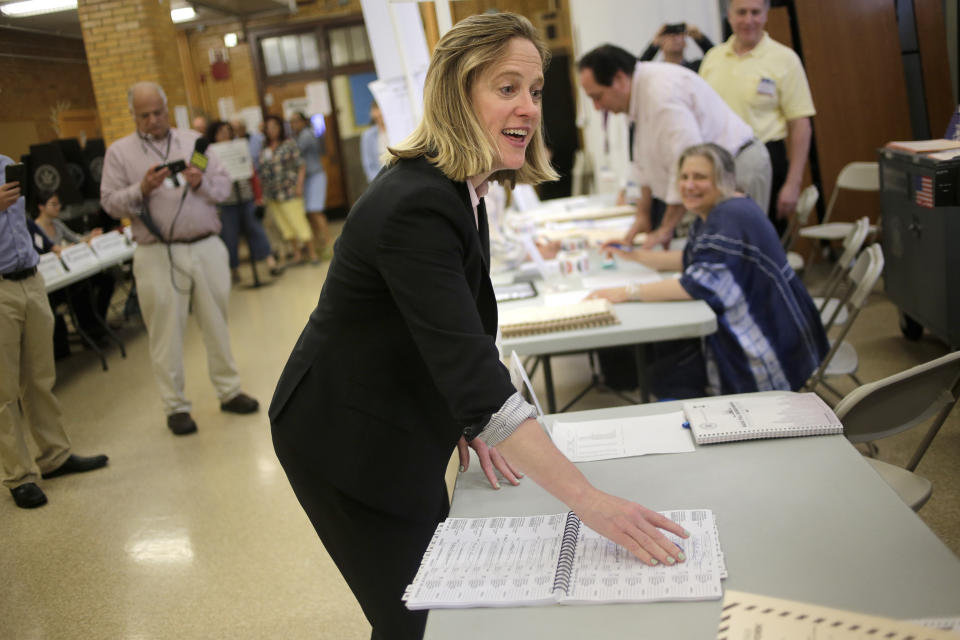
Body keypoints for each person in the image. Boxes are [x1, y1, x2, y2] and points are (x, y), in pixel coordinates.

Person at [269, 14, 689, 640]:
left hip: (400, 415)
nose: (527, 107)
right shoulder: (415, 203)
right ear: (457, 96)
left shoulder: (461, 184)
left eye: (536, 90)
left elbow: (456, 327)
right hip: (344, 438)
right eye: (506, 87)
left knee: (442, 584)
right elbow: (471, 371)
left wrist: (473, 418)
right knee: (419, 614)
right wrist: (589, 501)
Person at [588, 143, 827, 397]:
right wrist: (634, 255)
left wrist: (625, 292)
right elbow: (695, 261)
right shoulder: (719, 209)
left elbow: (697, 285)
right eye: (685, 177)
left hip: (769, 347)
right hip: (785, 334)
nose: (689, 185)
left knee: (669, 370)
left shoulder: (729, 217)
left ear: (723, 180)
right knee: (666, 360)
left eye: (700, 177)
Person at [100, 82, 259, 436]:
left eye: (159, 112)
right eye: (145, 115)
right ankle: (175, 406)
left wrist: (200, 181)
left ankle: (229, 391)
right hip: (156, 252)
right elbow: (109, 203)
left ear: (167, 108)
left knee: (217, 322)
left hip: (205, 245)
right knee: (165, 332)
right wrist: (140, 189)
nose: (154, 120)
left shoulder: (194, 143)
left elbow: (223, 189)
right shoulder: (120, 153)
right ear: (133, 115)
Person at [578, 44, 771, 249]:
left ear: (619, 79)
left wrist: (665, 229)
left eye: (597, 97)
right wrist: (642, 217)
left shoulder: (660, 94)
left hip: (737, 167)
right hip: (714, 175)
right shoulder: (635, 96)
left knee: (739, 254)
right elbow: (642, 163)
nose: (597, 107)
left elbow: (687, 165)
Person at [1, 154, 109, 509]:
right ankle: (19, 476)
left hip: (30, 280)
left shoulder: (6, 163)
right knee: (4, 391)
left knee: (40, 377)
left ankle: (55, 456)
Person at [699, 0, 816, 236]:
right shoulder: (712, 59)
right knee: (723, 237)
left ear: (766, 15)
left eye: (755, 13)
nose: (748, 20)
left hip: (766, 161)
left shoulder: (785, 59)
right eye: (741, 13)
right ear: (729, 16)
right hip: (719, 164)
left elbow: (800, 124)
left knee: (762, 241)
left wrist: (793, 183)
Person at [32, 190, 116, 356]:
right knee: (81, 291)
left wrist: (89, 237)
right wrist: (69, 249)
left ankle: (95, 326)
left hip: (69, 274)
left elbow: (75, 240)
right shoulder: (34, 229)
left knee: (104, 280)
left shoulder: (57, 224)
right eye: (53, 204)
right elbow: (51, 253)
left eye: (58, 203)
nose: (58, 207)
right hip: (52, 281)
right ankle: (90, 330)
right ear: (41, 207)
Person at [206, 120, 283, 282]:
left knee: (257, 229)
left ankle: (270, 262)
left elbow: (252, 173)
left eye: (227, 131)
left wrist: (258, 197)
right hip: (226, 202)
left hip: (245, 197)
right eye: (221, 132)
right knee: (230, 236)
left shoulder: (240, 147)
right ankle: (234, 270)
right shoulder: (209, 153)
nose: (225, 134)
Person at [258, 114, 319, 265]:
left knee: (299, 223)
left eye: (274, 127)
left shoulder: (289, 144)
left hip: (289, 190)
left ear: (280, 128)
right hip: (272, 193)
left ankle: (312, 254)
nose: (271, 130)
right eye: (268, 128)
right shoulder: (264, 148)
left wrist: (299, 185)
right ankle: (297, 255)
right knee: (285, 227)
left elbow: (301, 165)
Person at [639, 22, 713, 71]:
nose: (673, 37)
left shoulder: (697, 67)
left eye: (678, 34)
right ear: (660, 42)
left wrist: (700, 38)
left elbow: (718, 59)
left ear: (685, 43)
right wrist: (653, 46)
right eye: (668, 34)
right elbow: (636, 70)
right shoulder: (655, 71)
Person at [360, 101, 388, 183]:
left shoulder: (397, 130)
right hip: (379, 181)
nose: (379, 116)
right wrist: (378, 182)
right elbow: (368, 165)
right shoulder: (368, 136)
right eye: (375, 110)